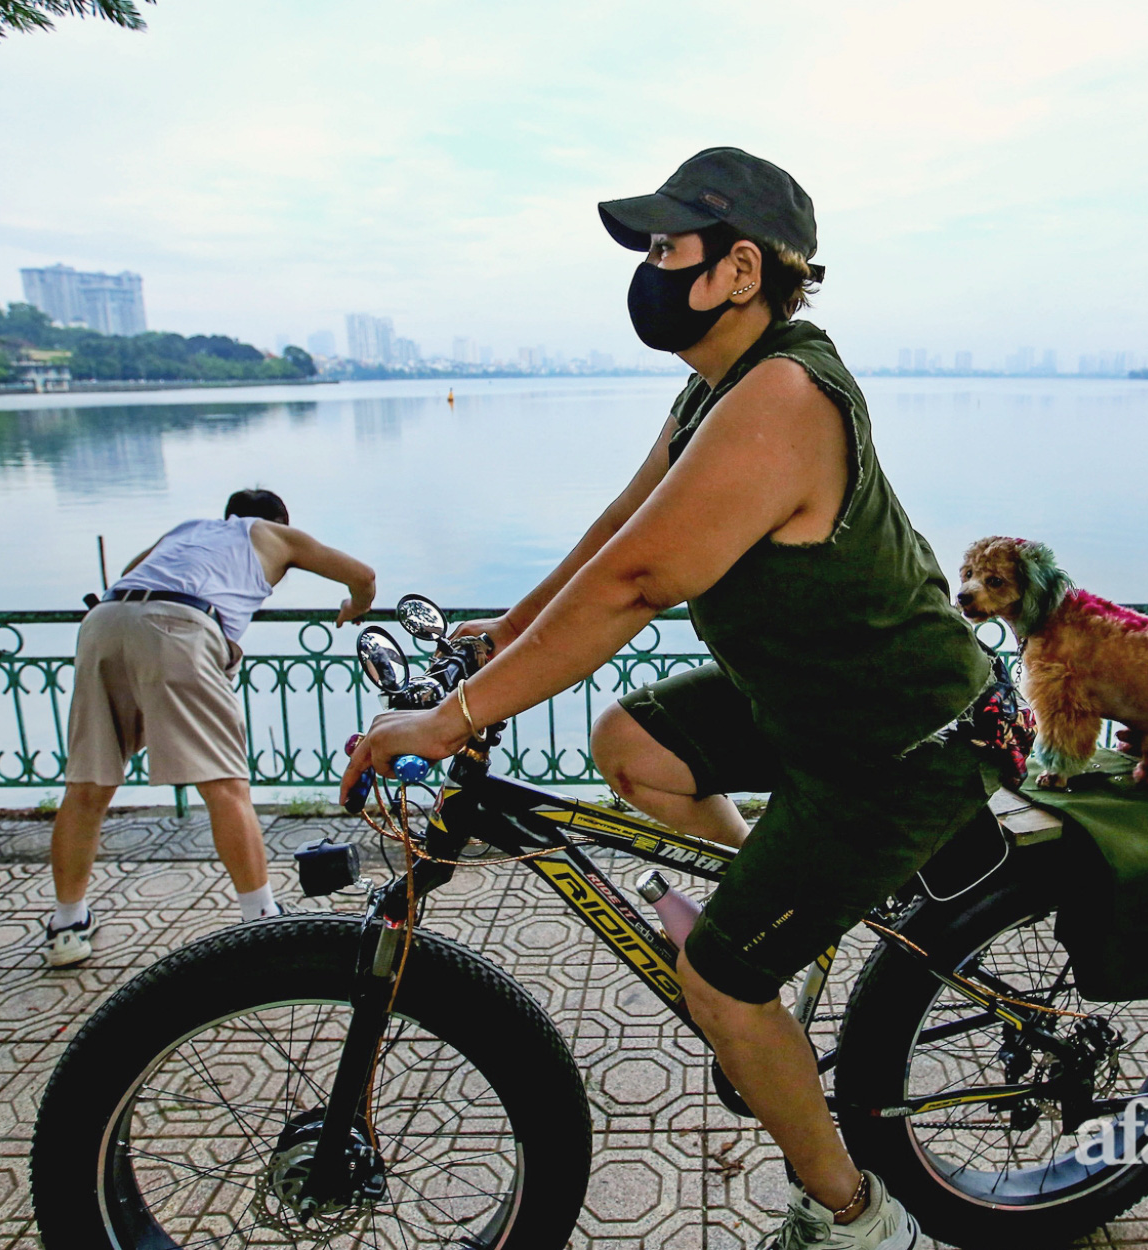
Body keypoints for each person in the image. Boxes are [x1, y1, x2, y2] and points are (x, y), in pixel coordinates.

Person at [341, 147, 989, 1250]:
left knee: (722, 981)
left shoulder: (782, 393)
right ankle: (772, 926)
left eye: (662, 248)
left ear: (739, 269)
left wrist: (452, 718)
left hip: (893, 741)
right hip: (809, 701)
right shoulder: (716, 389)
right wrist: (496, 636)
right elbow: (616, 536)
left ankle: (853, 1215)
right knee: (629, 740)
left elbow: (639, 585)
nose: (645, 269)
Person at [48, 489, 376, 968]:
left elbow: (130, 571)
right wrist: (356, 607)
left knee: (87, 786)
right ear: (280, 520)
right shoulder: (274, 535)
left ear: (228, 516)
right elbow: (363, 576)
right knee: (225, 788)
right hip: (180, 626)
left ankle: (66, 926)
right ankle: (260, 919)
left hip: (105, 621)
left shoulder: (188, 529)